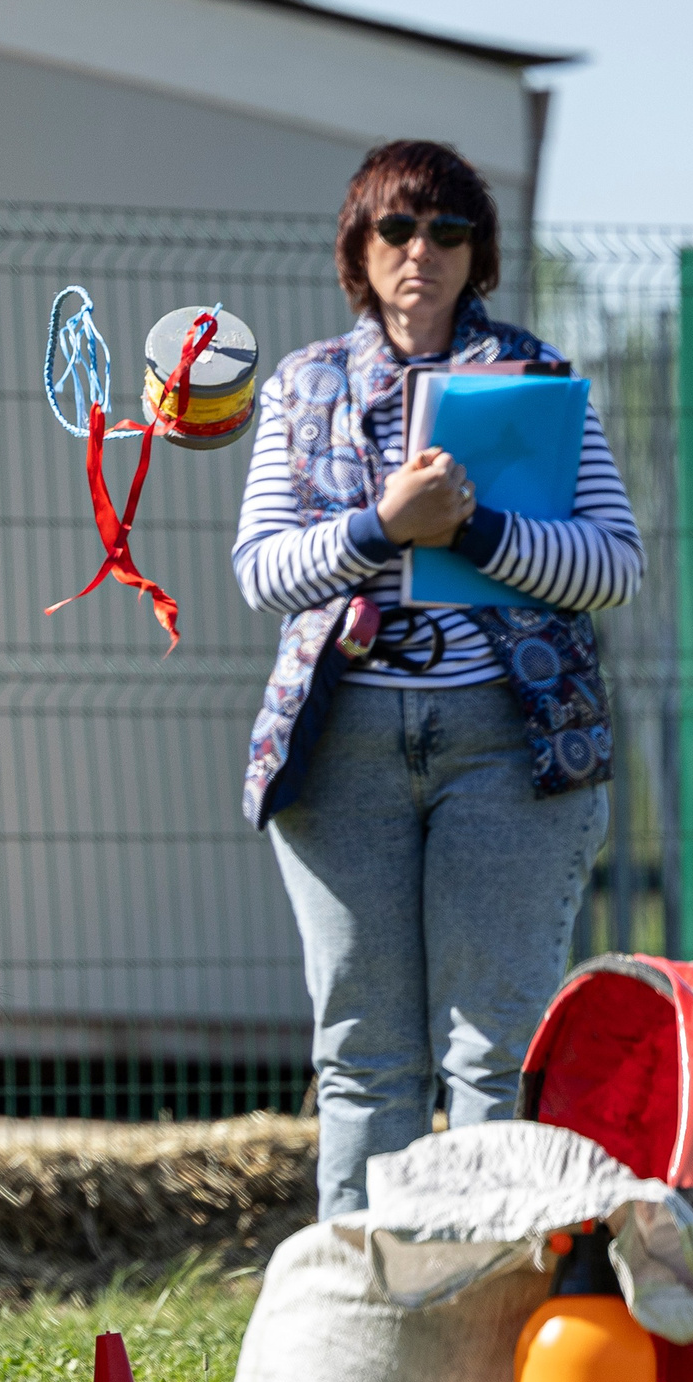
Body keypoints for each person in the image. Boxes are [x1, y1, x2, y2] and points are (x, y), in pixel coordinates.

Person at [232, 140, 643, 1218]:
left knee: (494, 1051)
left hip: (512, 747)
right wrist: (382, 527)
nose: (422, 250)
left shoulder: (541, 382)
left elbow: (614, 564)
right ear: (358, 248)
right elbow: (263, 570)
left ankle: (492, 1298)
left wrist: (475, 529)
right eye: (397, 228)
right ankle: (367, 1303)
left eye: (448, 230)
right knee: (363, 1054)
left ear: (478, 253)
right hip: (342, 747)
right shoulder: (303, 384)